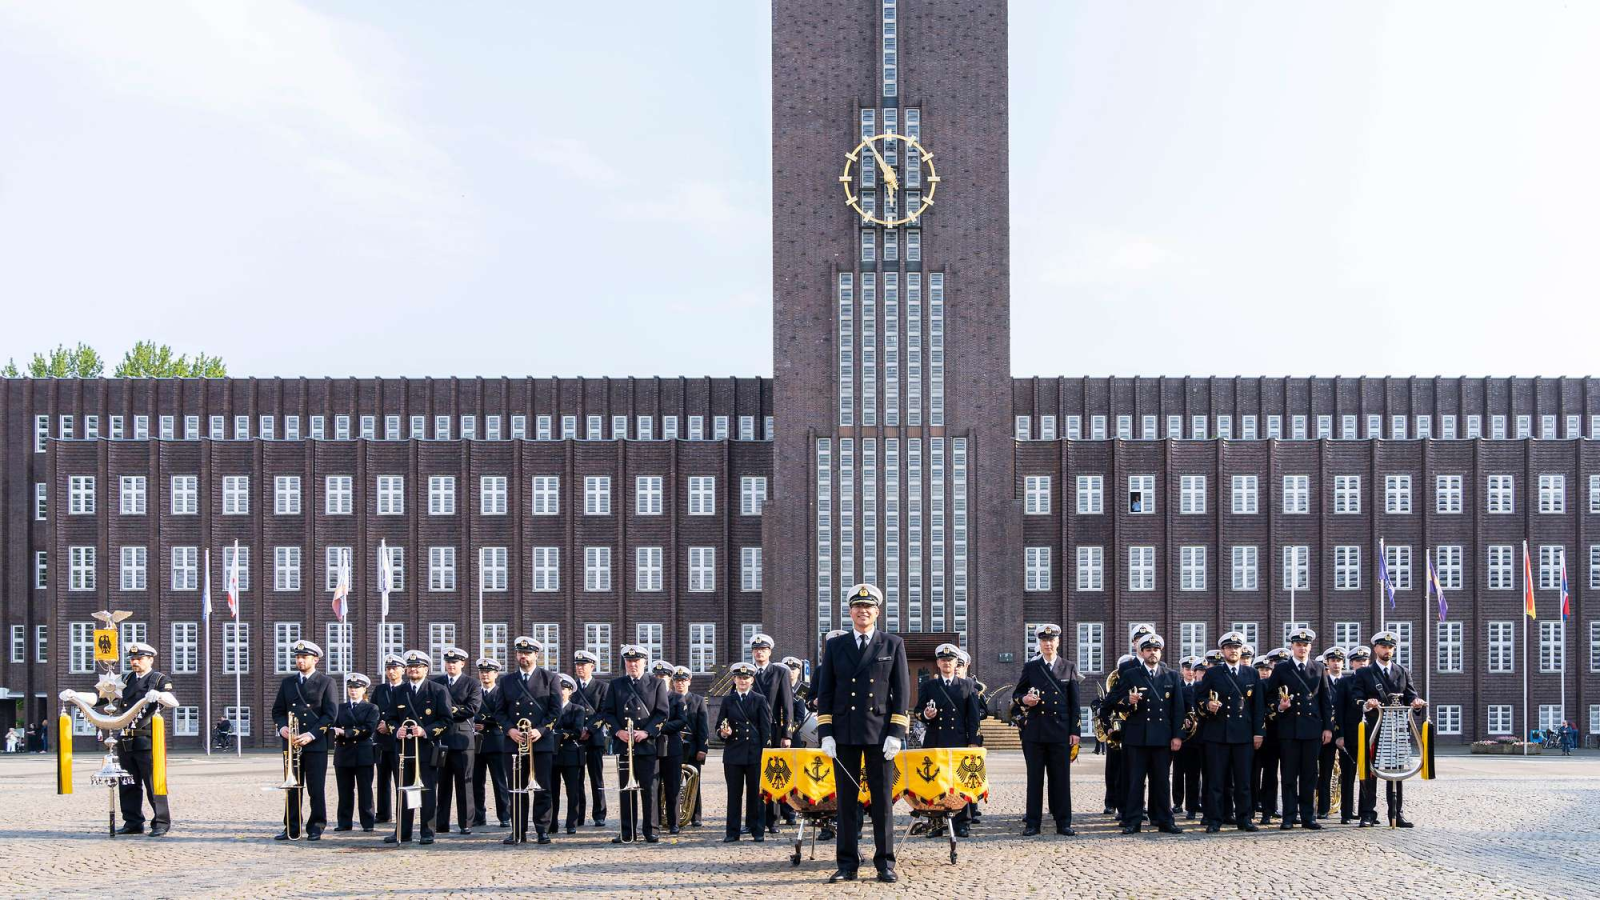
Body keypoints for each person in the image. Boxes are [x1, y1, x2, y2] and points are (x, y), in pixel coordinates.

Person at [816, 583, 910, 884]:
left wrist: (896, 732)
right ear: (850, 611)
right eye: (857, 607)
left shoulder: (892, 644)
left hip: (880, 735)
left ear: (877, 612)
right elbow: (826, 692)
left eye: (868, 607)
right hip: (844, 735)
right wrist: (825, 733)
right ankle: (847, 864)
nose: (863, 611)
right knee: (845, 802)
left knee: (882, 802)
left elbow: (902, 692)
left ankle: (885, 863)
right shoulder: (835, 646)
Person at [1111, 633, 1186, 835]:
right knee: (1135, 780)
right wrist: (1128, 700)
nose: (1152, 653)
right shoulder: (1130, 674)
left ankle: (1164, 820)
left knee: (1161, 781)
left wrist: (1177, 735)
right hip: (1137, 737)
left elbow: (1178, 709)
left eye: (1155, 650)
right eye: (1148, 650)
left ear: (1160, 652)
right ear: (1142, 652)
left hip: (1162, 737)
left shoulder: (1171, 676)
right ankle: (1133, 820)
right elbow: (1112, 701)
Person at [1352, 630, 1427, 828]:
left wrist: (1416, 703)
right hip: (1373, 729)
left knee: (1397, 773)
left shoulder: (1402, 671)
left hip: (1397, 730)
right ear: (1375, 648)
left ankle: (1396, 813)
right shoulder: (1364, 673)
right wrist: (1367, 703)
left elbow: (1411, 696)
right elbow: (1356, 697)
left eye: (1391, 647)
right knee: (1370, 772)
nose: (1387, 651)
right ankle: (1367, 814)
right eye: (1384, 647)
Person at [1011, 625, 1080, 837]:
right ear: (1039, 643)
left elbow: (1074, 703)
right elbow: (1017, 694)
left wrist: (1075, 731)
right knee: (1035, 780)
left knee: (1060, 779)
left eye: (1051, 640)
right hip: (1036, 732)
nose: (1048, 644)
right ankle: (1033, 823)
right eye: (1044, 640)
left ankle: (1063, 823)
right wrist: (1025, 699)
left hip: (1060, 731)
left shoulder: (1068, 667)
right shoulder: (1031, 668)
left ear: (1058, 642)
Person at [492, 637, 561, 845]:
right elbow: (499, 712)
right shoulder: (506, 681)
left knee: (542, 788)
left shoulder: (550, 678)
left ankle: (542, 830)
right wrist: (510, 730)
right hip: (514, 743)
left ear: (536, 655)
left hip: (540, 742)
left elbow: (555, 712)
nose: (523, 656)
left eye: (528, 653)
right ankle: (518, 831)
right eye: (520, 653)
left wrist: (541, 731)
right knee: (516, 788)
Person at [599, 645, 671, 844]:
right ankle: (627, 831)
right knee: (626, 790)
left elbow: (662, 713)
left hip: (646, 744)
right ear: (625, 663)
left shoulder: (656, 684)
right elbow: (608, 713)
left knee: (650, 790)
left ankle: (651, 830)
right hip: (624, 745)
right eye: (629, 662)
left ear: (644, 662)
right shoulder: (616, 685)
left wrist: (646, 732)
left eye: (636, 661)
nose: (633, 665)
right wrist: (617, 731)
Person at [271, 639, 339, 841]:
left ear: (315, 659)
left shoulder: (327, 682)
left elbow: (331, 714)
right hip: (291, 744)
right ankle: (291, 827)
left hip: (314, 743)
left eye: (304, 657)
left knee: (315, 788)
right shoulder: (288, 683)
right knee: (292, 787)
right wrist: (283, 727)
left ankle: (316, 826)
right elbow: (278, 711)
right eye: (298, 657)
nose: (300, 661)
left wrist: (311, 735)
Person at [381, 650, 452, 845]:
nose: (413, 670)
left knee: (427, 790)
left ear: (426, 669)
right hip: (404, 749)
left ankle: (427, 831)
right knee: (404, 790)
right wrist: (396, 730)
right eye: (411, 667)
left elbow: (446, 721)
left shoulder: (437, 690)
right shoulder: (399, 691)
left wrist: (425, 731)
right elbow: (390, 717)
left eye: (418, 666)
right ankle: (403, 831)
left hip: (427, 748)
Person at [1195, 632, 1262, 833]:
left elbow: (1257, 706)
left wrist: (1258, 732)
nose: (1233, 650)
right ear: (1223, 651)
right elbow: (1198, 698)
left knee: (1243, 781)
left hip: (1243, 734)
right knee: (1216, 780)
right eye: (1229, 647)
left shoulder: (1251, 674)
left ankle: (1244, 819)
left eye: (1237, 647)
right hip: (1218, 733)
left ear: (1241, 650)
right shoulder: (1213, 674)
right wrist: (1208, 705)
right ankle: (1215, 819)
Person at [1267, 628, 1333, 830]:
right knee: (1288, 775)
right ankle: (1288, 816)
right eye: (1298, 645)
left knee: (1309, 775)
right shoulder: (1281, 669)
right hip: (1289, 729)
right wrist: (1280, 706)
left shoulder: (1319, 668)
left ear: (1310, 647)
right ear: (1292, 646)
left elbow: (1325, 700)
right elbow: (1270, 696)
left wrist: (1328, 728)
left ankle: (1308, 816)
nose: (1302, 648)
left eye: (1305, 645)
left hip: (1312, 729)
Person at [114, 642, 178, 836]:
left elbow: (174, 702)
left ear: (150, 659)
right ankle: (132, 822)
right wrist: (77, 697)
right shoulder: (124, 679)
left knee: (153, 783)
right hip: (126, 739)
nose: (135, 662)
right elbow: (103, 698)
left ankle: (161, 822)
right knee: (127, 784)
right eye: (132, 659)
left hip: (147, 740)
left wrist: (159, 695)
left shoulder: (158, 679)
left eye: (139, 659)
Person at [920, 643, 984, 838]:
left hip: (959, 741)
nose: (947, 663)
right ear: (938, 663)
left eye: (950, 660)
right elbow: (918, 711)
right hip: (935, 740)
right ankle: (936, 822)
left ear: (956, 662)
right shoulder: (929, 685)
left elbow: (973, 717)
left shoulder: (967, 686)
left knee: (960, 783)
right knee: (936, 784)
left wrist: (973, 741)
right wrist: (926, 714)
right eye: (943, 660)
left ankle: (962, 823)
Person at [431, 647, 483, 837]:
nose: (451, 665)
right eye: (448, 662)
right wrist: (453, 710)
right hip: (441, 739)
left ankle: (466, 823)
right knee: (442, 784)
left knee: (465, 783)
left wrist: (447, 711)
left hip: (462, 739)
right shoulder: (437, 683)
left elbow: (472, 708)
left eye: (455, 662)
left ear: (462, 663)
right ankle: (441, 822)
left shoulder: (472, 683)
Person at [717, 661, 771, 843]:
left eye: (746, 678)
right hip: (733, 753)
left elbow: (765, 729)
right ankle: (732, 832)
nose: (742, 681)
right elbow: (719, 726)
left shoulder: (760, 699)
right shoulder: (728, 700)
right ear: (734, 680)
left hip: (755, 753)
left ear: (752, 680)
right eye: (739, 678)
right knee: (734, 794)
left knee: (756, 794)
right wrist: (723, 733)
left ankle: (758, 831)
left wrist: (765, 752)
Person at [750, 632, 794, 833]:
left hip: (775, 730)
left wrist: (787, 734)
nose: (760, 653)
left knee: (774, 776)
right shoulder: (747, 673)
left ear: (770, 652)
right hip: (752, 732)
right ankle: (753, 820)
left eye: (764, 650)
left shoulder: (780, 672)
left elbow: (787, 705)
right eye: (757, 650)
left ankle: (773, 820)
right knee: (754, 778)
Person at [331, 673, 379, 832]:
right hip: (343, 753)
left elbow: (368, 729)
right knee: (344, 791)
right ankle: (344, 822)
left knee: (365, 790)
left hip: (362, 753)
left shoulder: (371, 708)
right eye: (351, 687)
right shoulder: (340, 708)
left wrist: (346, 732)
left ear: (364, 689)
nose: (353, 691)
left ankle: (368, 822)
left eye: (357, 688)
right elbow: (334, 726)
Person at [472, 657, 512, 829]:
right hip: (477, 742)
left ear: (496, 674)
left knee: (499, 781)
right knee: (476, 782)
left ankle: (505, 815)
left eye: (488, 672)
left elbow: (504, 714)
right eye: (482, 672)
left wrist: (486, 722)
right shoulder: (475, 692)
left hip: (496, 742)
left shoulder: (500, 692)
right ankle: (478, 816)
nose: (485, 675)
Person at [571, 649, 608, 828]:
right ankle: (578, 814)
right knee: (577, 779)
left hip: (594, 739)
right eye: (577, 665)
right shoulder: (572, 687)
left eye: (583, 665)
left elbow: (604, 712)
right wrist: (578, 730)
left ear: (592, 666)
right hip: (576, 739)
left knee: (596, 778)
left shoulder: (602, 687)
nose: (580, 668)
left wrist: (590, 729)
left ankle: (599, 813)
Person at [652, 660, 689, 835]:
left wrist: (657, 727)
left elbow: (682, 721)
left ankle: (674, 822)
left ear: (669, 679)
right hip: (652, 746)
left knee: (672, 786)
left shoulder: (677, 698)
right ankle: (655, 821)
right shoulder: (648, 697)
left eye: (664, 676)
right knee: (653, 786)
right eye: (657, 676)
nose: (660, 679)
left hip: (672, 746)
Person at [672, 666, 710, 826]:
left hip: (692, 747)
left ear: (689, 681)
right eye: (677, 680)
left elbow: (703, 727)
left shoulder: (698, 700)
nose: (680, 683)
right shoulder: (668, 699)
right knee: (672, 782)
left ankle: (696, 816)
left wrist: (703, 748)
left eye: (683, 680)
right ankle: (673, 815)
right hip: (673, 747)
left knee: (694, 782)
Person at [371, 654, 406, 824]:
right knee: (382, 779)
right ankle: (383, 813)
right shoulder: (380, 690)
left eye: (395, 668)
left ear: (402, 670)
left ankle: (402, 812)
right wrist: (379, 725)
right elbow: (373, 710)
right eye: (388, 669)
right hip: (382, 741)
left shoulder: (406, 689)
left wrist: (391, 727)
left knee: (400, 779)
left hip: (399, 741)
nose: (391, 672)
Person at [551, 674, 587, 834]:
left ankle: (571, 822)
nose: (561, 692)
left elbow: (577, 731)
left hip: (571, 754)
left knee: (573, 791)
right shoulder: (550, 709)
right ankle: (552, 823)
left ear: (570, 691)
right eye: (559, 688)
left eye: (564, 689)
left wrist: (557, 733)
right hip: (552, 754)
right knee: (552, 791)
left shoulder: (577, 709)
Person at [1253, 649, 1285, 824]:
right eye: (1275, 663)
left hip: (1287, 734)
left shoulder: (1290, 682)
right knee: (1269, 775)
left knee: (1288, 775)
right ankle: (1267, 810)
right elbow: (1259, 708)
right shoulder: (1264, 685)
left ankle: (1286, 809)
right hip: (1270, 735)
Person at [1315, 646, 1347, 820]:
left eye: (1339, 660)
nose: (1336, 664)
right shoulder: (1322, 681)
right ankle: (1323, 808)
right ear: (1327, 663)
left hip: (1343, 734)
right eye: (1333, 660)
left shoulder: (1348, 682)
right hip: (1326, 733)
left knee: (1346, 773)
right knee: (1325, 773)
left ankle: (1347, 808)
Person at [1172, 655, 1204, 821]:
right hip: (1188, 738)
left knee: (1201, 775)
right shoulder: (1183, 689)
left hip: (1206, 738)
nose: (1191, 672)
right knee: (1183, 772)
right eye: (1189, 669)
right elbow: (1177, 709)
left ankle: (1198, 803)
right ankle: (1182, 803)